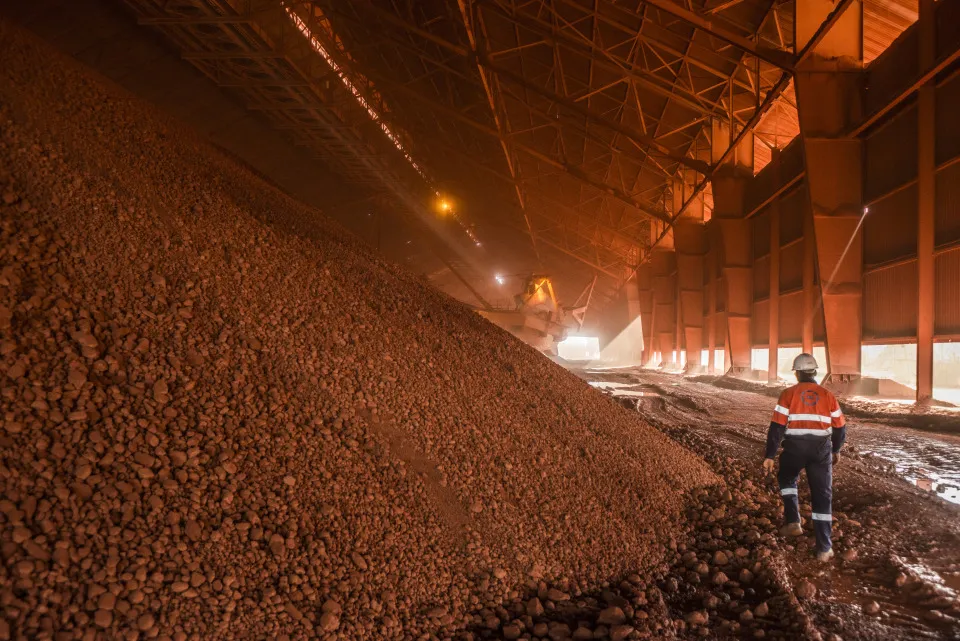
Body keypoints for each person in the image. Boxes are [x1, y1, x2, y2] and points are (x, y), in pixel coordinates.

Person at [762, 353, 847, 561]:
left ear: (798, 373)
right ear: (814, 372)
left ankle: (793, 522)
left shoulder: (788, 394)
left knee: (787, 478)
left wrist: (770, 455)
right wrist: (836, 450)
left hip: (794, 449)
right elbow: (840, 428)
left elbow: (777, 427)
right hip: (821, 450)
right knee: (822, 495)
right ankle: (824, 549)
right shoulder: (828, 395)